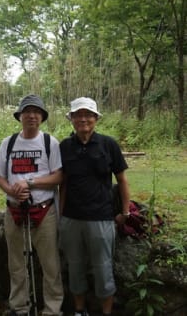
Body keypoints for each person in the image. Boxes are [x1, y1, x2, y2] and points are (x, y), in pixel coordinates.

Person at [59, 97, 131, 316]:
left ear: (95, 118)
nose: (83, 119)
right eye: (78, 115)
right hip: (72, 218)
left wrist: (125, 212)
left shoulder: (108, 144)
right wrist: (61, 216)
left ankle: (106, 312)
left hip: (101, 218)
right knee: (75, 267)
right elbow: (63, 184)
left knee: (103, 269)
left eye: (88, 114)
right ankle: (80, 310)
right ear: (71, 119)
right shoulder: (64, 146)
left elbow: (122, 180)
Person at [0, 94, 64, 316]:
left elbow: (57, 177)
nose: (32, 116)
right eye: (27, 112)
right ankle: (19, 306)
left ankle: (52, 309)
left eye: (36, 112)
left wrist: (30, 183)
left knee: (50, 264)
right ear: (20, 116)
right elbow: (0, 177)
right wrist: (12, 189)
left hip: (44, 211)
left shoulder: (49, 143)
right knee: (16, 263)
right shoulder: (8, 144)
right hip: (14, 210)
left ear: (42, 117)